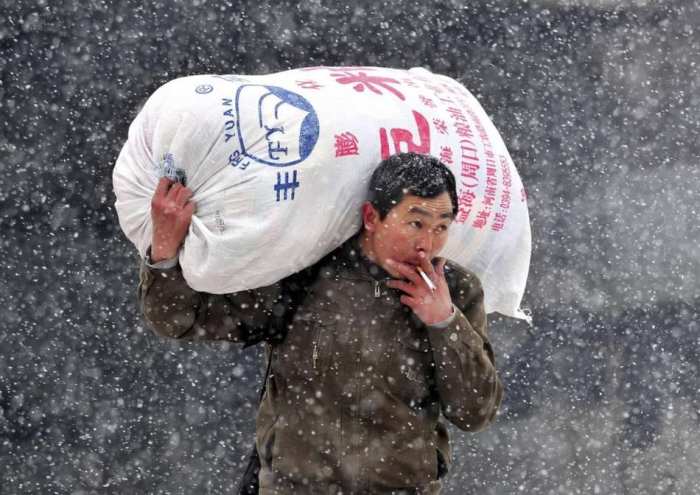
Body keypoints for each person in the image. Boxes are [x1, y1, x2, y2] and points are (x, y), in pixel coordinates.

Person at [138, 152, 503, 494]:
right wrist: (165, 250)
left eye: (442, 226)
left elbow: (475, 412)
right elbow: (179, 321)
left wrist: (444, 323)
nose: (428, 243)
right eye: (415, 222)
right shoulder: (304, 273)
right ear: (372, 217)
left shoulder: (454, 290)